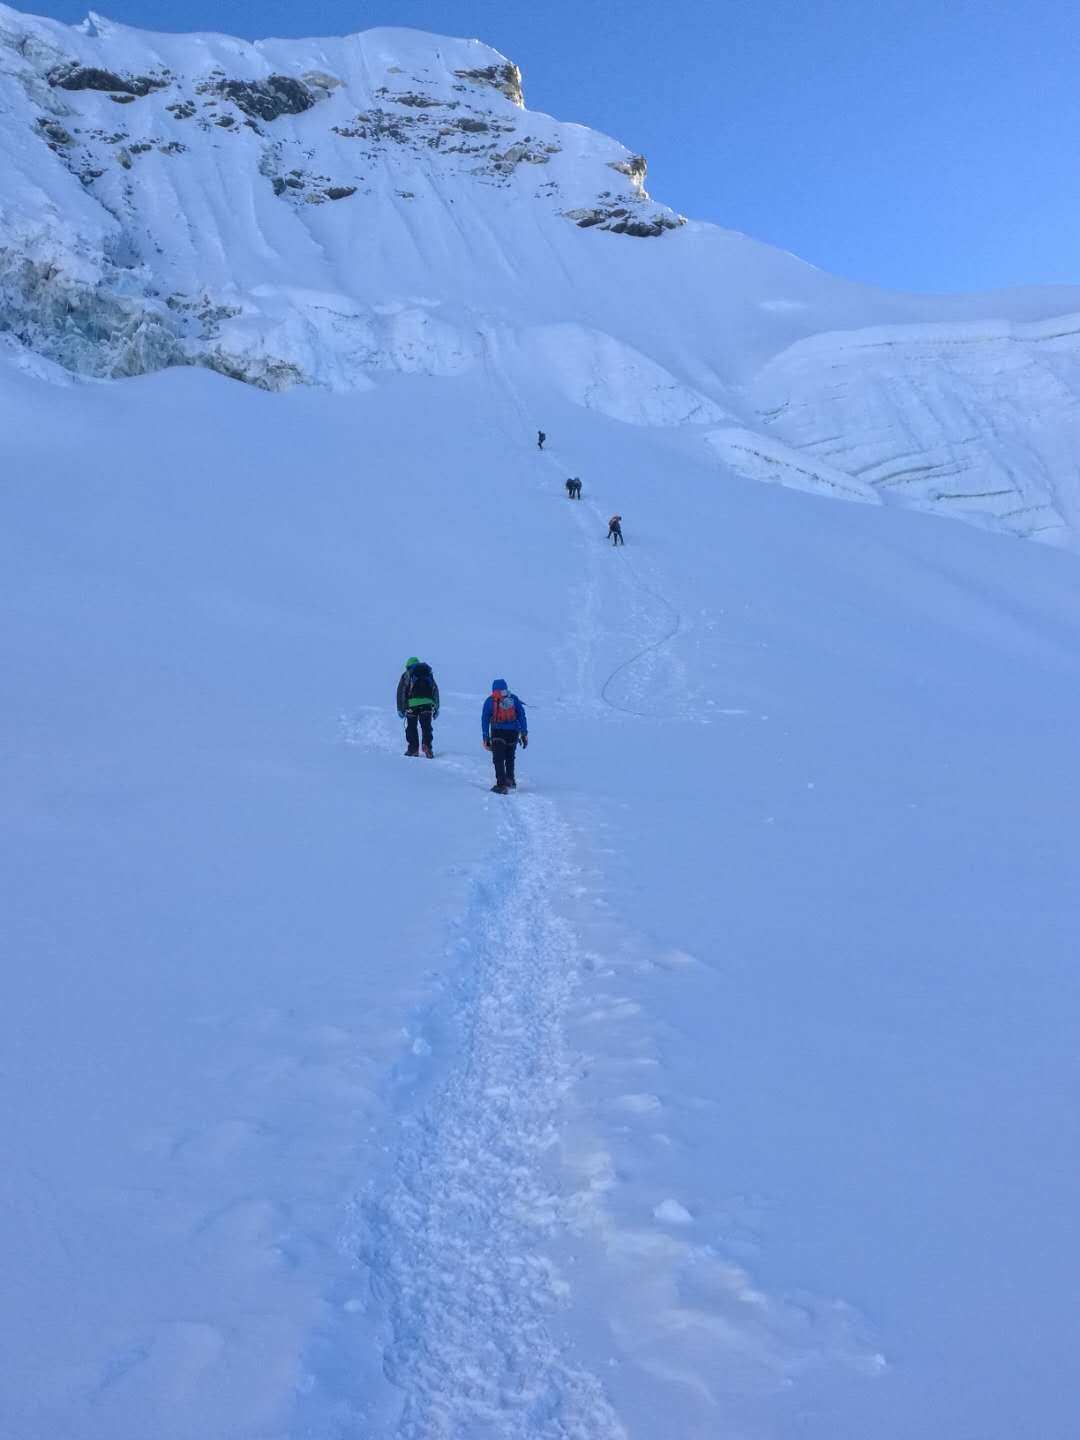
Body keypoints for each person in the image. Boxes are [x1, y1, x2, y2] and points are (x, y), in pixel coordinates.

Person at [481, 678, 528, 793]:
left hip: (498, 732)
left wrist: (485, 737)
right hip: (513, 733)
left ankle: (501, 785)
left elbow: (485, 719)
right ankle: (510, 780)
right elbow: (521, 715)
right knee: (510, 756)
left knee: (498, 758)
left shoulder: (490, 701)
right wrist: (524, 733)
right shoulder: (513, 698)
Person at [396, 656, 439, 757]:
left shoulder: (407, 674)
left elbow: (401, 692)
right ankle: (427, 745)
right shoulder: (428, 673)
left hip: (412, 704)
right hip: (427, 703)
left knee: (411, 727)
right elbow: (435, 690)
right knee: (426, 727)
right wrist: (436, 707)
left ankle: (413, 749)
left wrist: (401, 708)